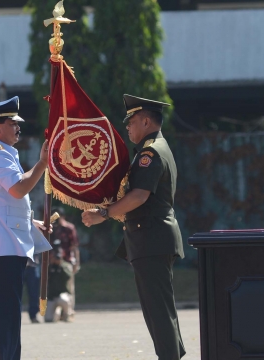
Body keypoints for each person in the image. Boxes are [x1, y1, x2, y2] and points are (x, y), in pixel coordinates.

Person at [82, 95, 186, 360]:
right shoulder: (157, 148)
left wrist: (104, 214)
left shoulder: (150, 153)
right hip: (152, 238)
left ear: (147, 121)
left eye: (132, 122)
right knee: (160, 312)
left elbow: (139, 195)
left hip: (152, 239)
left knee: (159, 313)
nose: (127, 127)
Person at [0, 96, 51, 359]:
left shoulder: (0, 153)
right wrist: (42, 164)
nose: (18, 127)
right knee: (3, 322)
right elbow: (18, 189)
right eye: (11, 122)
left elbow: (3, 200)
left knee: (7, 321)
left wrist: (30, 222)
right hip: (0, 246)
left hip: (3, 243)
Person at [50, 207, 79, 315]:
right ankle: (54, 312)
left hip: (67, 261)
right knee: (54, 286)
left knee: (69, 288)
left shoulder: (69, 228)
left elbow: (74, 246)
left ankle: (69, 312)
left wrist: (76, 263)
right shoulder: (50, 228)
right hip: (52, 262)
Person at [44, 244, 73, 323]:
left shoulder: (65, 266)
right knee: (48, 319)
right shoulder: (49, 267)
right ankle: (56, 315)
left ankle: (67, 314)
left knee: (63, 300)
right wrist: (50, 265)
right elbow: (44, 278)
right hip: (52, 296)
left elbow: (68, 276)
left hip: (63, 294)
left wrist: (60, 266)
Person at [24, 254, 41, 323]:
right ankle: (15, 315)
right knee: (16, 293)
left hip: (32, 266)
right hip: (18, 265)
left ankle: (33, 315)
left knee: (34, 293)